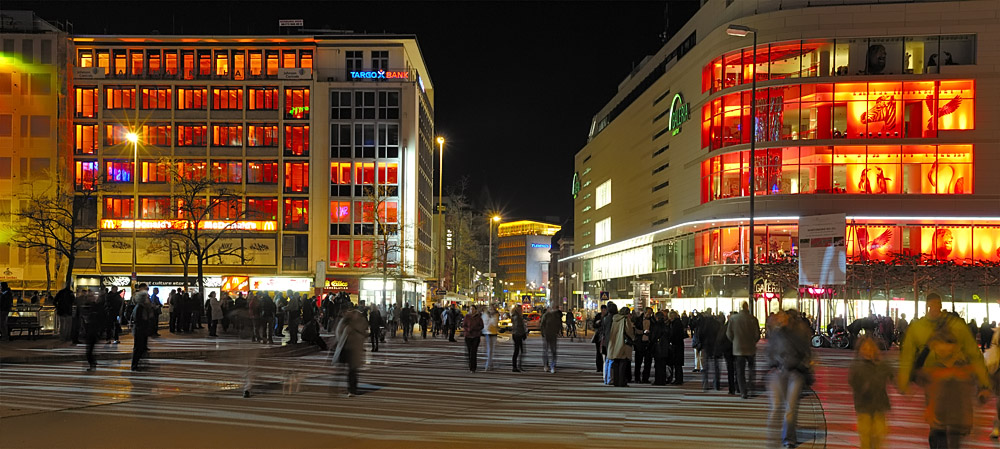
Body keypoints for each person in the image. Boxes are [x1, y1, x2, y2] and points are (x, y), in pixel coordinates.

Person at [899, 293, 989, 448]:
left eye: (937, 305)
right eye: (931, 305)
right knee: (937, 424)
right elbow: (907, 356)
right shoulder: (918, 327)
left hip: (955, 377)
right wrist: (904, 381)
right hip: (933, 379)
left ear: (941, 305)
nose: (934, 308)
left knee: (954, 424)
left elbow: (974, 355)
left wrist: (984, 384)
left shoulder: (956, 326)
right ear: (927, 306)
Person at [767, 310, 814, 448]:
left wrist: (801, 364)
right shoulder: (776, 333)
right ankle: (774, 438)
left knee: (790, 407)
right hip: (779, 372)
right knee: (776, 407)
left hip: (795, 373)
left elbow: (806, 352)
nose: (780, 319)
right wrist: (773, 363)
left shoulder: (798, 332)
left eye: (783, 317)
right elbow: (770, 351)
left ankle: (788, 439)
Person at [849, 336, 893, 449]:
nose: (868, 351)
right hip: (864, 406)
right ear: (859, 351)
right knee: (866, 437)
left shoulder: (882, 365)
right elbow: (853, 383)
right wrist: (864, 387)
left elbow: (892, 376)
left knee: (879, 435)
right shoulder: (857, 366)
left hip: (879, 406)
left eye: (870, 348)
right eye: (864, 349)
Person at [727, 301, 761, 398]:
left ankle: (743, 391)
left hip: (738, 348)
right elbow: (757, 335)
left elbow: (729, 334)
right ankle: (750, 387)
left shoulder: (734, 319)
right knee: (751, 369)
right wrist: (753, 341)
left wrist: (735, 341)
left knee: (740, 371)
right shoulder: (753, 319)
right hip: (750, 348)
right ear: (747, 307)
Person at [334, 304, 369, 397]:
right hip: (353, 348)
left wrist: (340, 340)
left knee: (350, 369)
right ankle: (352, 389)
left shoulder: (347, 320)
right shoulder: (359, 319)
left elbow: (338, 333)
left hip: (348, 347)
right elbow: (365, 332)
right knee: (352, 370)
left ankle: (351, 389)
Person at [608, 305, 636, 386]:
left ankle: (616, 381)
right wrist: (633, 337)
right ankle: (622, 382)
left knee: (616, 363)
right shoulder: (625, 319)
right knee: (623, 363)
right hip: (622, 344)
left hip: (614, 343)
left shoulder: (614, 319)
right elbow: (629, 331)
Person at [130, 283, 155, 371]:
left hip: (142, 330)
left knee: (140, 347)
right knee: (138, 348)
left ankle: (138, 364)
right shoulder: (140, 308)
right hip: (140, 330)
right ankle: (134, 365)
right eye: (147, 298)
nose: (148, 299)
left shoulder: (144, 307)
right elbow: (139, 320)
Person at [699, 308, 722, 391]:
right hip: (715, 346)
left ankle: (705, 384)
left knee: (706, 366)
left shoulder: (703, 323)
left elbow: (700, 334)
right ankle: (716, 384)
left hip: (706, 346)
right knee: (716, 366)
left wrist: (701, 344)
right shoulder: (717, 323)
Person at [83, 290, 106, 371]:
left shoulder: (94, 307)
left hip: (93, 330)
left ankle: (92, 363)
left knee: (89, 350)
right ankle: (93, 362)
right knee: (90, 349)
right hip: (92, 330)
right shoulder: (93, 306)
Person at [634, 307, 654, 383]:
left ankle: (645, 378)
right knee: (638, 362)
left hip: (648, 343)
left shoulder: (652, 320)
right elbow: (635, 330)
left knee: (648, 362)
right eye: (648, 313)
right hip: (640, 343)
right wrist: (643, 332)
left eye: (650, 314)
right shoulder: (638, 319)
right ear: (644, 312)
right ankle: (637, 378)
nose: (649, 315)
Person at [651, 311, 671, 385]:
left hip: (658, 346)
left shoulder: (656, 325)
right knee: (663, 364)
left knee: (658, 364)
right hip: (665, 346)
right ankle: (663, 379)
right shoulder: (666, 325)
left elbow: (653, 337)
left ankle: (658, 380)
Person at [601, 302, 619, 384]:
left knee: (607, 360)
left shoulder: (605, 318)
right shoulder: (615, 319)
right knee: (612, 360)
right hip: (613, 340)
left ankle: (606, 379)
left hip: (606, 341)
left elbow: (603, 330)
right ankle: (610, 379)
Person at [667, 311, 688, 385]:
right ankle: (678, 379)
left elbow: (673, 334)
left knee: (677, 363)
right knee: (677, 364)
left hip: (676, 345)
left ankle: (678, 379)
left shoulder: (675, 324)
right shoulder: (678, 323)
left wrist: (669, 340)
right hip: (678, 345)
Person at [462, 305, 484, 373]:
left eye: (473, 309)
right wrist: (468, 329)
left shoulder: (478, 317)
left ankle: (473, 367)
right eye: (471, 309)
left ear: (475, 310)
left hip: (476, 336)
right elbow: (464, 325)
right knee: (469, 352)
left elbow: (481, 326)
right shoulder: (467, 316)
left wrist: (475, 329)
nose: (472, 310)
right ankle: (470, 365)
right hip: (468, 336)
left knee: (473, 352)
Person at [541, 306, 561, 374]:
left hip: (553, 335)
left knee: (553, 351)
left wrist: (557, 331)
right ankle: (546, 365)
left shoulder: (556, 316)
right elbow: (542, 324)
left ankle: (552, 366)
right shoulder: (546, 315)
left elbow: (559, 324)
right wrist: (543, 332)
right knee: (547, 351)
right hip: (547, 334)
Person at [482, 305, 499, 370]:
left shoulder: (496, 315)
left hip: (493, 333)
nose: (491, 310)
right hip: (487, 333)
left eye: (492, 309)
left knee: (491, 350)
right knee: (489, 349)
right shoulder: (485, 314)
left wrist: (490, 320)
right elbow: (484, 323)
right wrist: (490, 321)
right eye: (490, 308)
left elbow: (494, 323)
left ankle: (489, 364)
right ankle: (488, 364)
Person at [511, 306, 527, 372]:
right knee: (518, 351)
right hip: (518, 335)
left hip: (516, 334)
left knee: (518, 351)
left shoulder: (515, 316)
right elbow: (518, 327)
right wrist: (523, 334)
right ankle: (516, 366)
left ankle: (516, 366)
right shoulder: (517, 317)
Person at [592, 305, 606, 373]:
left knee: (604, 352)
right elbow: (594, 325)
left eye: (604, 309)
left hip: (604, 337)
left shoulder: (607, 316)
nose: (603, 311)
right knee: (598, 352)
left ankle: (603, 367)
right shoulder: (598, 315)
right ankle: (599, 367)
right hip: (598, 337)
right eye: (602, 309)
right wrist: (597, 323)